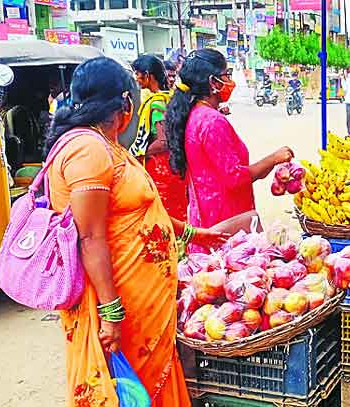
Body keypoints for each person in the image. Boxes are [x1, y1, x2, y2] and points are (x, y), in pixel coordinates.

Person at [43, 56, 228, 407]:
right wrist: (112, 314)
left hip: (141, 306)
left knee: (148, 388)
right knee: (129, 391)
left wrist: (194, 234)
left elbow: (142, 212)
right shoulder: (88, 151)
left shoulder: (105, 146)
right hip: (120, 306)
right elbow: (90, 238)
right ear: (124, 103)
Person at [165, 49, 294, 238]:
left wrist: (269, 164)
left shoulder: (195, 114)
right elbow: (235, 177)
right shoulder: (211, 121)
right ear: (213, 82)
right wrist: (273, 159)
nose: (229, 81)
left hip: (206, 214)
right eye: (226, 75)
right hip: (224, 220)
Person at [129, 55, 188, 221]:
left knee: (164, 216)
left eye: (137, 73)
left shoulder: (156, 103)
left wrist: (139, 153)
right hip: (175, 165)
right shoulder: (170, 98)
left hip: (162, 168)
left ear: (148, 75)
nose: (136, 78)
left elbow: (163, 141)